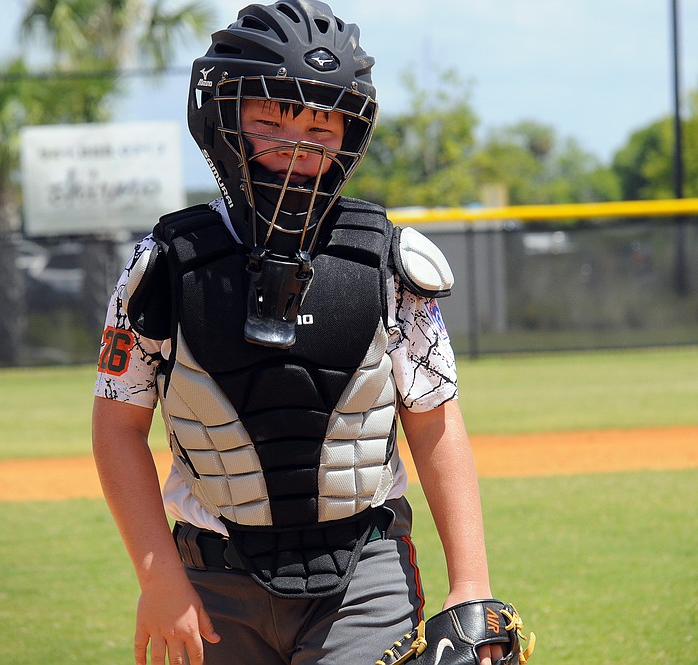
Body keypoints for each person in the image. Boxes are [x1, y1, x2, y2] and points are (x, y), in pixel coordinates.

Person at [92, 2, 504, 663]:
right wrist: (158, 576)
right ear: (224, 118)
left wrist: (472, 586)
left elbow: (433, 421)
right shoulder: (162, 268)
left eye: (321, 121)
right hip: (210, 577)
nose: (300, 140)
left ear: (350, 131)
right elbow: (116, 428)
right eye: (272, 117)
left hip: (364, 576)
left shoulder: (390, 266)